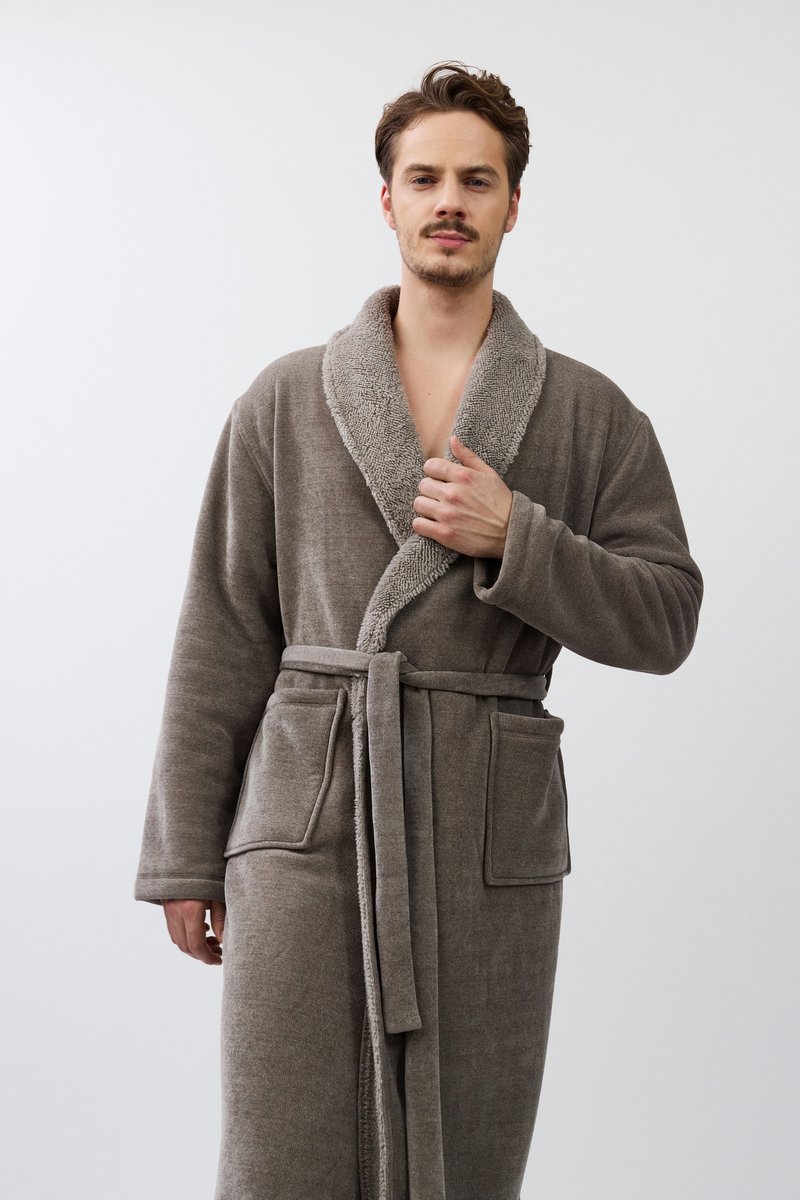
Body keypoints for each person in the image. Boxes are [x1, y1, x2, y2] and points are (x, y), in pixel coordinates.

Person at [134, 60, 703, 1200]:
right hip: (308, 819)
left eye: (477, 181)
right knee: (282, 1153)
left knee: (466, 1155)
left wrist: (518, 539)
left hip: (483, 827)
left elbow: (665, 616)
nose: (450, 201)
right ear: (386, 199)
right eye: (425, 177)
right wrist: (186, 854)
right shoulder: (286, 398)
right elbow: (222, 631)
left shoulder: (589, 413)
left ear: (513, 205)